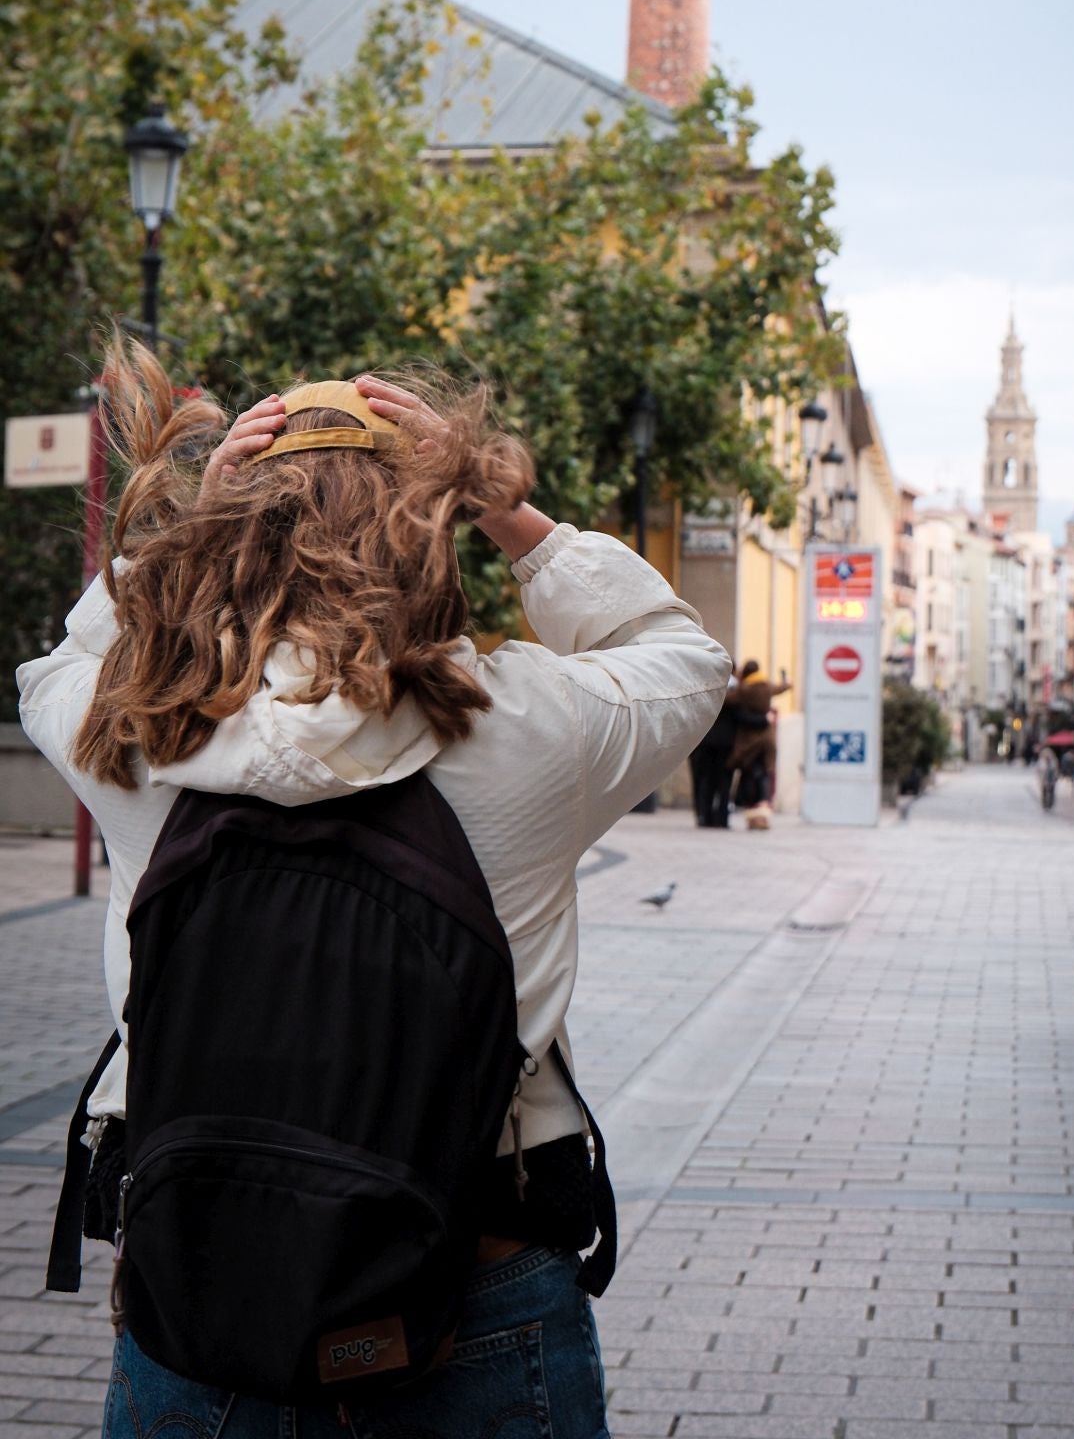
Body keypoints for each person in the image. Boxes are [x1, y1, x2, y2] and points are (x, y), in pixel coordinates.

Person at [17, 349, 730, 1438]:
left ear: (228, 536)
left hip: (199, 1291)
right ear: (432, 527)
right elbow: (678, 654)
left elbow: (57, 667)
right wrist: (513, 517)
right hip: (476, 1278)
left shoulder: (133, 727)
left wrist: (184, 534)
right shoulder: (527, 727)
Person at [727, 660, 790, 828]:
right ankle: (762, 810)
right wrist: (786, 680)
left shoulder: (745, 689)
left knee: (750, 774)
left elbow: (727, 699)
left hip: (750, 740)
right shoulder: (767, 686)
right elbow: (783, 687)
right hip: (767, 737)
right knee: (763, 774)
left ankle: (753, 813)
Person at [689, 665, 739, 827]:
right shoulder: (736, 693)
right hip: (725, 743)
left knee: (706, 781)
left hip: (705, 742)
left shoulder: (706, 689)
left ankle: (705, 816)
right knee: (723, 782)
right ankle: (721, 818)